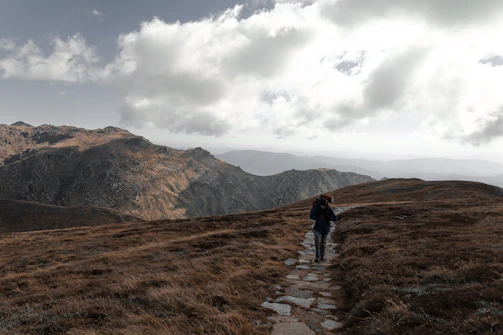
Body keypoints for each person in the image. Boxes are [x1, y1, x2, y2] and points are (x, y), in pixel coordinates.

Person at [309, 198, 337, 262]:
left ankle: (322, 256)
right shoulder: (316, 208)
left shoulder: (329, 209)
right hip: (317, 227)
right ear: (319, 204)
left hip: (325, 227)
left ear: (326, 204)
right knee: (317, 242)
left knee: (323, 242)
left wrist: (329, 217)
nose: (323, 207)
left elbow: (334, 218)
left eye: (324, 206)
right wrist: (316, 217)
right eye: (322, 205)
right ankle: (317, 257)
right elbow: (311, 216)